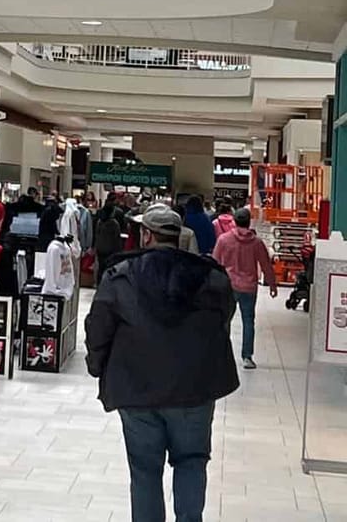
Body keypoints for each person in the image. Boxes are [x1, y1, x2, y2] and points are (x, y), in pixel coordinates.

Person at [85, 204, 239, 522]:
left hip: (136, 387)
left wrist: (97, 364)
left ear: (146, 235)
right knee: (192, 461)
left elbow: (99, 325)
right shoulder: (209, 276)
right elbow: (225, 315)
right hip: (194, 390)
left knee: (144, 470)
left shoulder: (121, 276)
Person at [212, 207, 278, 369]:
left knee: (225, 321)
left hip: (229, 286)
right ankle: (247, 357)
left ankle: (222, 354)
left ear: (234, 221)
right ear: (249, 222)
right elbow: (265, 264)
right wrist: (272, 284)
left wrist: (212, 283)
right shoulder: (256, 242)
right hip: (249, 287)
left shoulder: (223, 240)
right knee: (248, 321)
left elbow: (215, 263)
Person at [93, 194, 124, 285]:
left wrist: (95, 246)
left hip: (100, 249)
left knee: (101, 267)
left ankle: (99, 283)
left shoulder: (100, 222)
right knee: (109, 267)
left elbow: (96, 234)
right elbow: (117, 238)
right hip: (111, 249)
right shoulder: (114, 224)